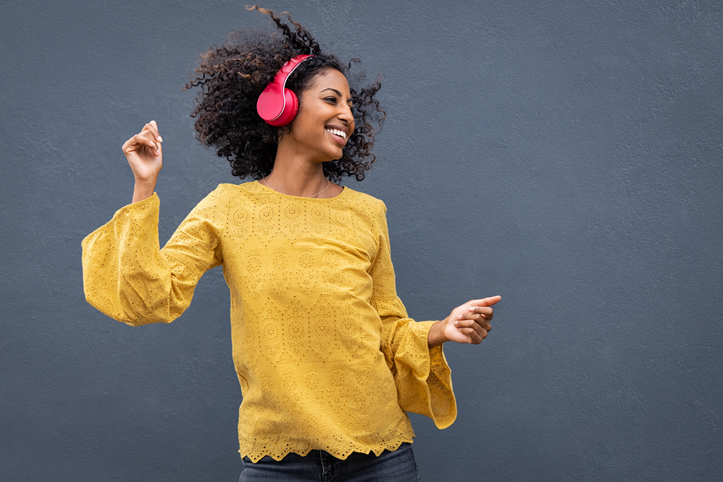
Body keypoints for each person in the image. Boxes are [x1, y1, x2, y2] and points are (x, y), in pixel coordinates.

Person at [81, 6, 500, 481]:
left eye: (350, 106)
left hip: (380, 457)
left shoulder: (367, 213)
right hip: (278, 464)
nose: (347, 115)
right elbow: (149, 297)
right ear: (280, 105)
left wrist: (440, 329)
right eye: (331, 99)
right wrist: (145, 186)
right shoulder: (226, 209)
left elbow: (383, 326)